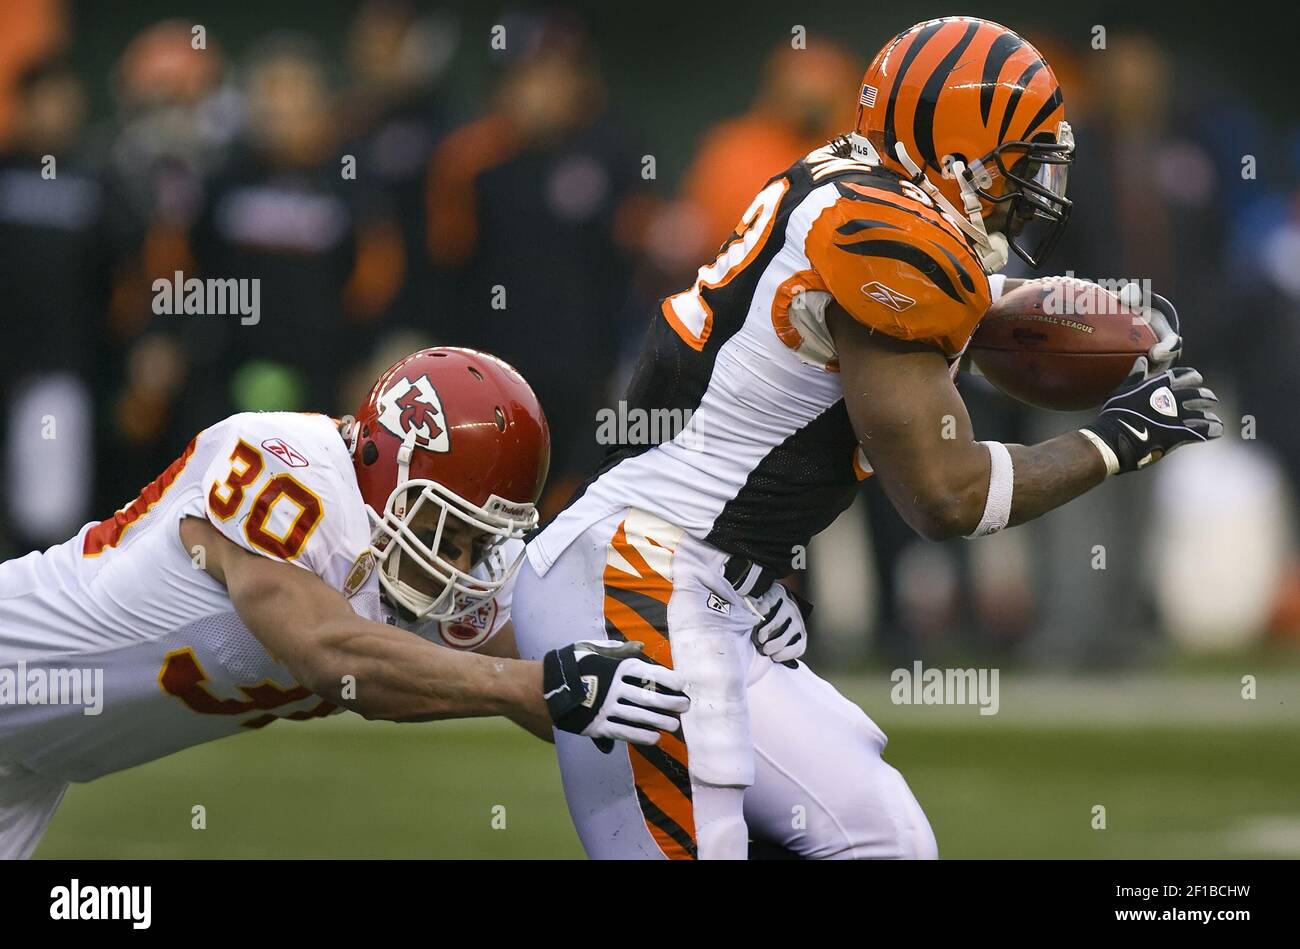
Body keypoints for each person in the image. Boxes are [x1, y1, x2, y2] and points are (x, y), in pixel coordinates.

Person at [509, 16, 1222, 859]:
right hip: (641, 581)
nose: (1035, 183)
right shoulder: (889, 241)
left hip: (695, 579)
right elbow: (944, 494)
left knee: (881, 838)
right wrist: (1115, 439)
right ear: (956, 152)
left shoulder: (845, 183)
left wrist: (1058, 316)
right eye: (1020, 157)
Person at [0, 347, 688, 859]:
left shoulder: (434, 551)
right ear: (388, 467)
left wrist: (670, 675)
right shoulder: (281, 466)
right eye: (446, 530)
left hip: (33, 765)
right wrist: (541, 685)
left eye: (480, 540)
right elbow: (330, 655)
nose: (458, 563)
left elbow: (577, 694)